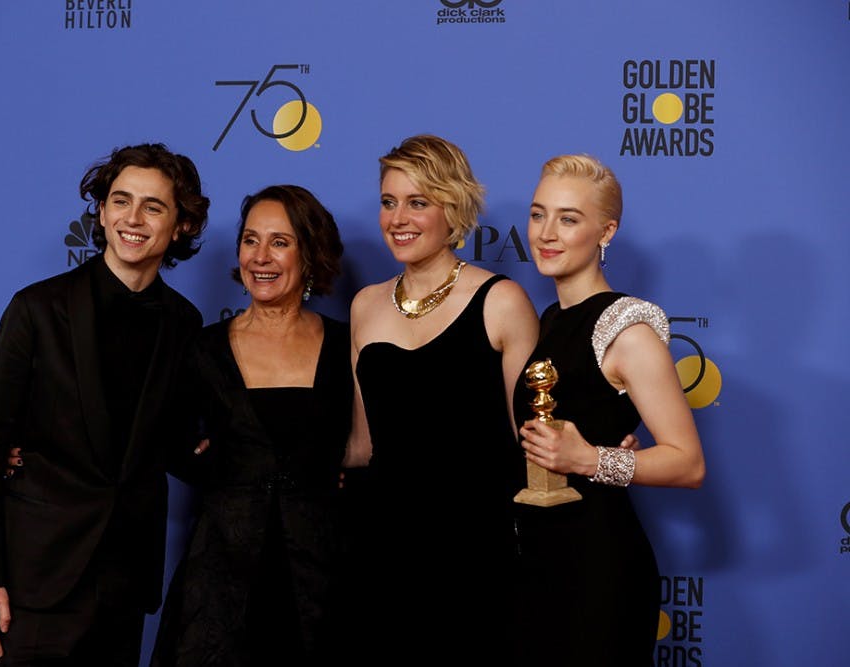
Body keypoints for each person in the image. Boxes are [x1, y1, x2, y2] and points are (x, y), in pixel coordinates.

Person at [0, 143, 209, 666]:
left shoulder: (184, 324)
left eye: (153, 206)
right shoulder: (37, 309)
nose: (132, 219)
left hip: (124, 583)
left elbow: (174, 446)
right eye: (120, 201)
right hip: (34, 583)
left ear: (181, 224)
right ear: (101, 211)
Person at [338, 134, 540, 663]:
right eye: (388, 202)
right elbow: (361, 444)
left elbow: (535, 438)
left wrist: (603, 446)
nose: (397, 218)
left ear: (453, 209)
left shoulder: (501, 301)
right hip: (381, 549)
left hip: (475, 551)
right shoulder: (365, 306)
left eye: (417, 202)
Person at [513, 154, 705, 666]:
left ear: (606, 231)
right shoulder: (550, 319)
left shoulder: (627, 329)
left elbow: (688, 462)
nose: (546, 232)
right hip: (535, 558)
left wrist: (591, 459)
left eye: (568, 218)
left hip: (597, 566)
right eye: (538, 214)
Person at [149, 185, 352, 666]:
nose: (261, 257)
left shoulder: (349, 345)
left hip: (325, 577)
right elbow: (161, 440)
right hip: (221, 577)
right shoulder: (201, 349)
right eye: (251, 240)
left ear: (310, 251)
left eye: (280, 242)